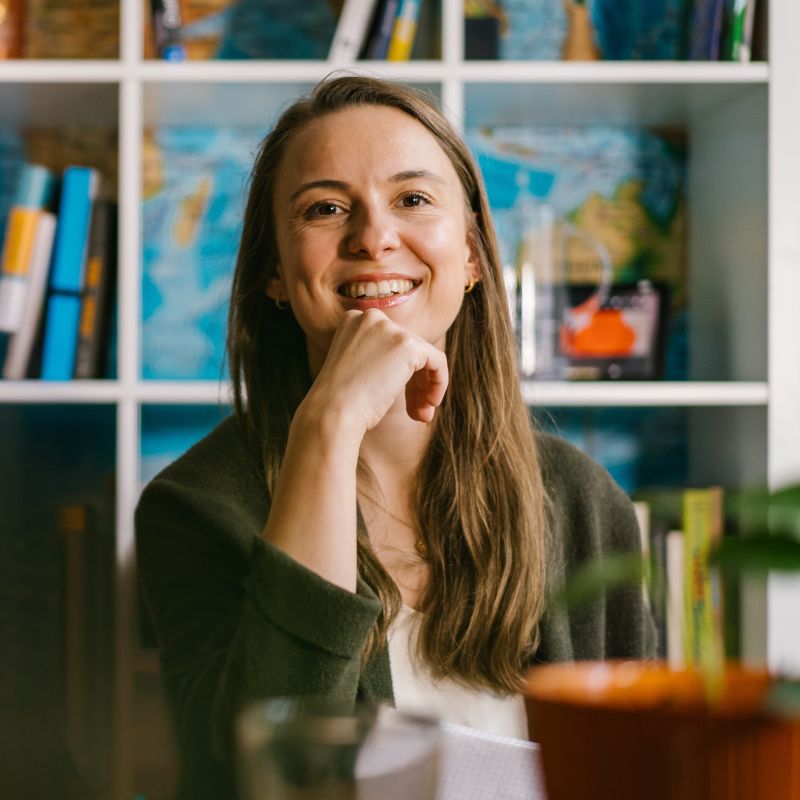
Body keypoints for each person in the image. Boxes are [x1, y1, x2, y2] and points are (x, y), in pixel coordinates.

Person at [135, 74, 655, 800]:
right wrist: (328, 423)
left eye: (412, 199)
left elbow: (641, 770)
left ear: (471, 255)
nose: (374, 237)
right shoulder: (194, 507)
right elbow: (257, 781)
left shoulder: (581, 501)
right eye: (325, 209)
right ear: (277, 276)